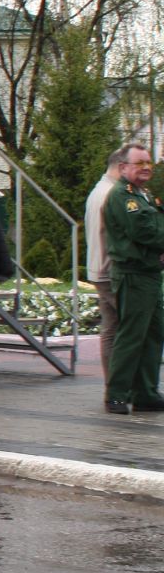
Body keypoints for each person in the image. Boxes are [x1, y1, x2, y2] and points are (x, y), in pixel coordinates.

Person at [101, 144, 164, 414]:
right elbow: (143, 231)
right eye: (139, 163)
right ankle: (117, 394)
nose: (146, 167)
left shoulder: (144, 195)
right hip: (134, 274)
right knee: (132, 335)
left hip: (149, 273)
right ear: (123, 167)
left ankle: (146, 393)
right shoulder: (121, 196)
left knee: (152, 334)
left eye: (148, 162)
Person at [85, 149, 126, 374]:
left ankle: (114, 385)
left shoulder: (100, 190)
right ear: (121, 166)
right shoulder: (112, 193)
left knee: (110, 328)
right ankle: (122, 385)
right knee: (131, 327)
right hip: (111, 270)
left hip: (99, 267)